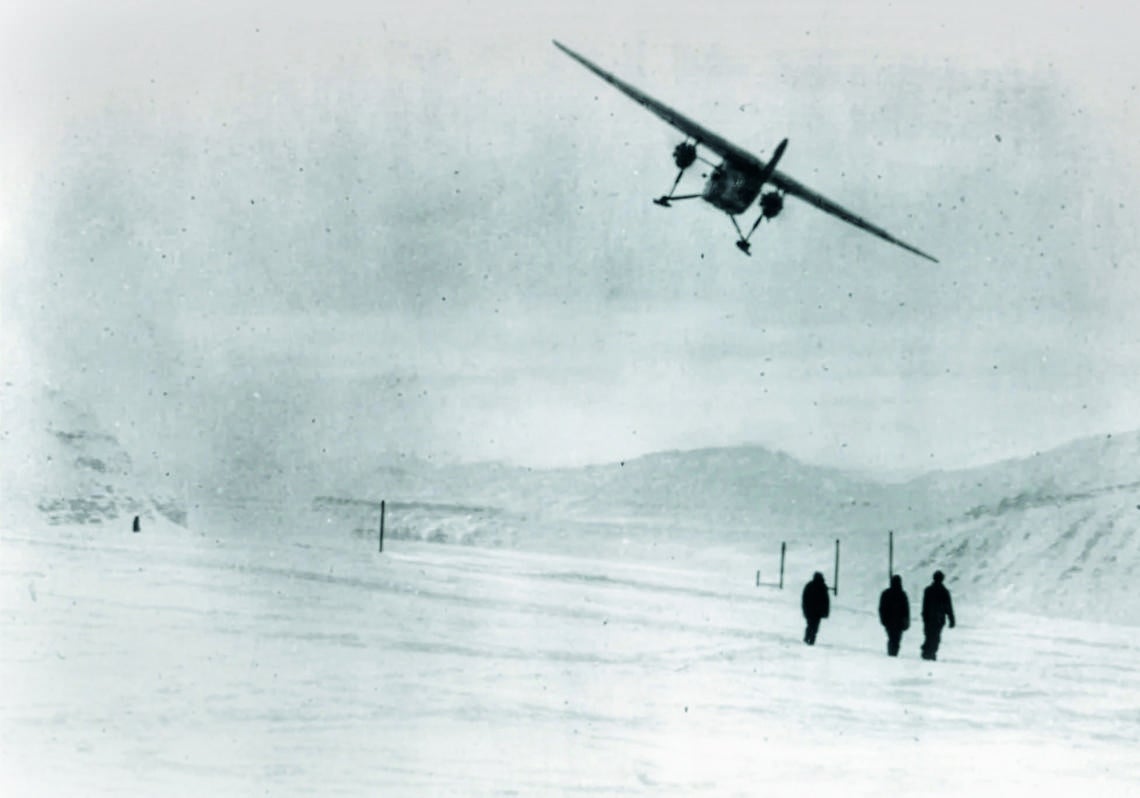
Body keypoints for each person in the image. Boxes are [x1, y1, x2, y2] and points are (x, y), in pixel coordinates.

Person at [920, 570, 955, 660]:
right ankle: (930, 653)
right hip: (938, 619)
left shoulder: (929, 590)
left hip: (930, 619)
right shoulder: (944, 592)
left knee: (929, 636)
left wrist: (924, 616)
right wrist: (951, 619)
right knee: (935, 637)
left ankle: (927, 652)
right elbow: (948, 607)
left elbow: (924, 605)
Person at [878, 574, 911, 657]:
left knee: (892, 638)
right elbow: (906, 610)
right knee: (896, 639)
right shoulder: (902, 594)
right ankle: (893, 654)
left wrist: (883, 619)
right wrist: (906, 621)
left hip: (890, 621)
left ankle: (892, 653)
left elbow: (882, 608)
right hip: (897, 622)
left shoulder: (886, 593)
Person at [801, 571, 830, 645]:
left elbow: (805, 599)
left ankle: (808, 638)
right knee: (814, 626)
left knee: (810, 625)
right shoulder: (822, 587)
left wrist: (805, 609)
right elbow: (826, 601)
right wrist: (825, 612)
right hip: (817, 612)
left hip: (810, 611)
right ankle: (811, 640)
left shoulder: (810, 585)